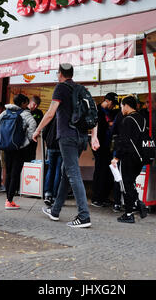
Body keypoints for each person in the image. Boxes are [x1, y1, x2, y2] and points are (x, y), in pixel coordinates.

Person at [33, 63, 100, 228]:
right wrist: (94, 137)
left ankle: (84, 216)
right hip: (82, 138)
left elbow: (50, 113)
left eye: (57, 73)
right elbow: (93, 114)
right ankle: (55, 210)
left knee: (73, 174)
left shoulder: (60, 88)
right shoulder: (81, 89)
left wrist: (37, 130)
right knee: (66, 172)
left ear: (61, 74)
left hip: (67, 137)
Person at [0, 94, 36, 209]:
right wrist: (27, 140)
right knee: (15, 174)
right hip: (18, 148)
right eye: (26, 102)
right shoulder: (25, 113)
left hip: (6, 148)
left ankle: (8, 199)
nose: (27, 105)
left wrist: (1, 139)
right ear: (23, 103)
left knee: (9, 173)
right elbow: (33, 125)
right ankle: (9, 201)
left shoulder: (6, 112)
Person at [111, 95, 148, 223]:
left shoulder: (127, 120)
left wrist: (116, 157)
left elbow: (124, 141)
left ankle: (128, 214)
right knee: (131, 182)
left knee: (126, 185)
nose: (121, 109)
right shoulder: (142, 119)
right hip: (140, 157)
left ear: (126, 105)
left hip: (128, 157)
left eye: (121, 106)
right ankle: (137, 203)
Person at [91, 92, 119, 208]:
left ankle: (104, 197)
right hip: (99, 144)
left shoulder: (109, 112)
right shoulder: (97, 111)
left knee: (107, 172)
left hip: (108, 146)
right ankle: (96, 198)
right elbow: (98, 127)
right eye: (113, 104)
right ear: (108, 101)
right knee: (100, 170)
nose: (113, 106)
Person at [43, 115, 62, 206]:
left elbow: (45, 129)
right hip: (62, 146)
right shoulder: (66, 114)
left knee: (51, 169)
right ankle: (55, 195)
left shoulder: (51, 114)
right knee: (59, 170)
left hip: (51, 145)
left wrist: (46, 140)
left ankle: (47, 193)